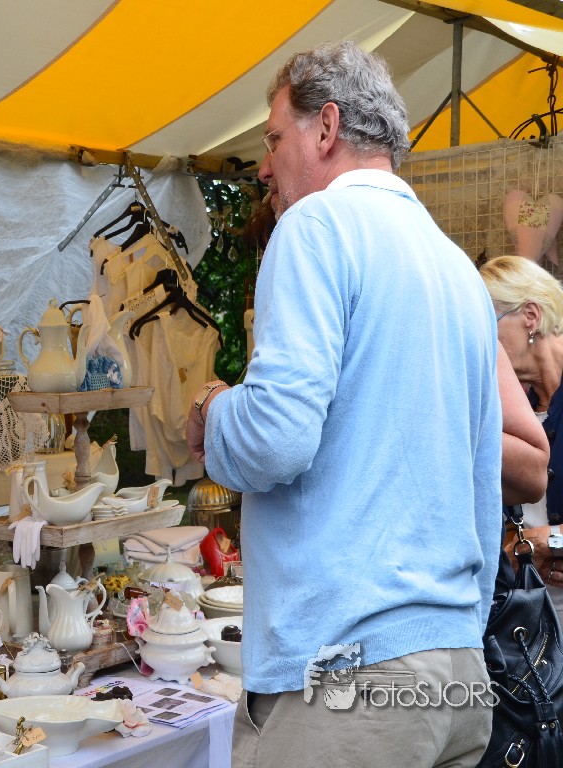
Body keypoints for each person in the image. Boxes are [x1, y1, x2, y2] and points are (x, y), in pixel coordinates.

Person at [186, 41, 501, 767]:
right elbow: (483, 489)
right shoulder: (458, 270)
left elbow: (274, 439)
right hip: (454, 670)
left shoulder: (316, 225)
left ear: (325, 128)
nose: (265, 167)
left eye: (273, 139)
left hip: (347, 677)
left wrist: (214, 407)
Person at [480, 255, 563, 613]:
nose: (480, 340)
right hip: (528, 618)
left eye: (488, 324)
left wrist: (551, 542)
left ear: (530, 316)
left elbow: (543, 537)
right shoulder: (510, 411)